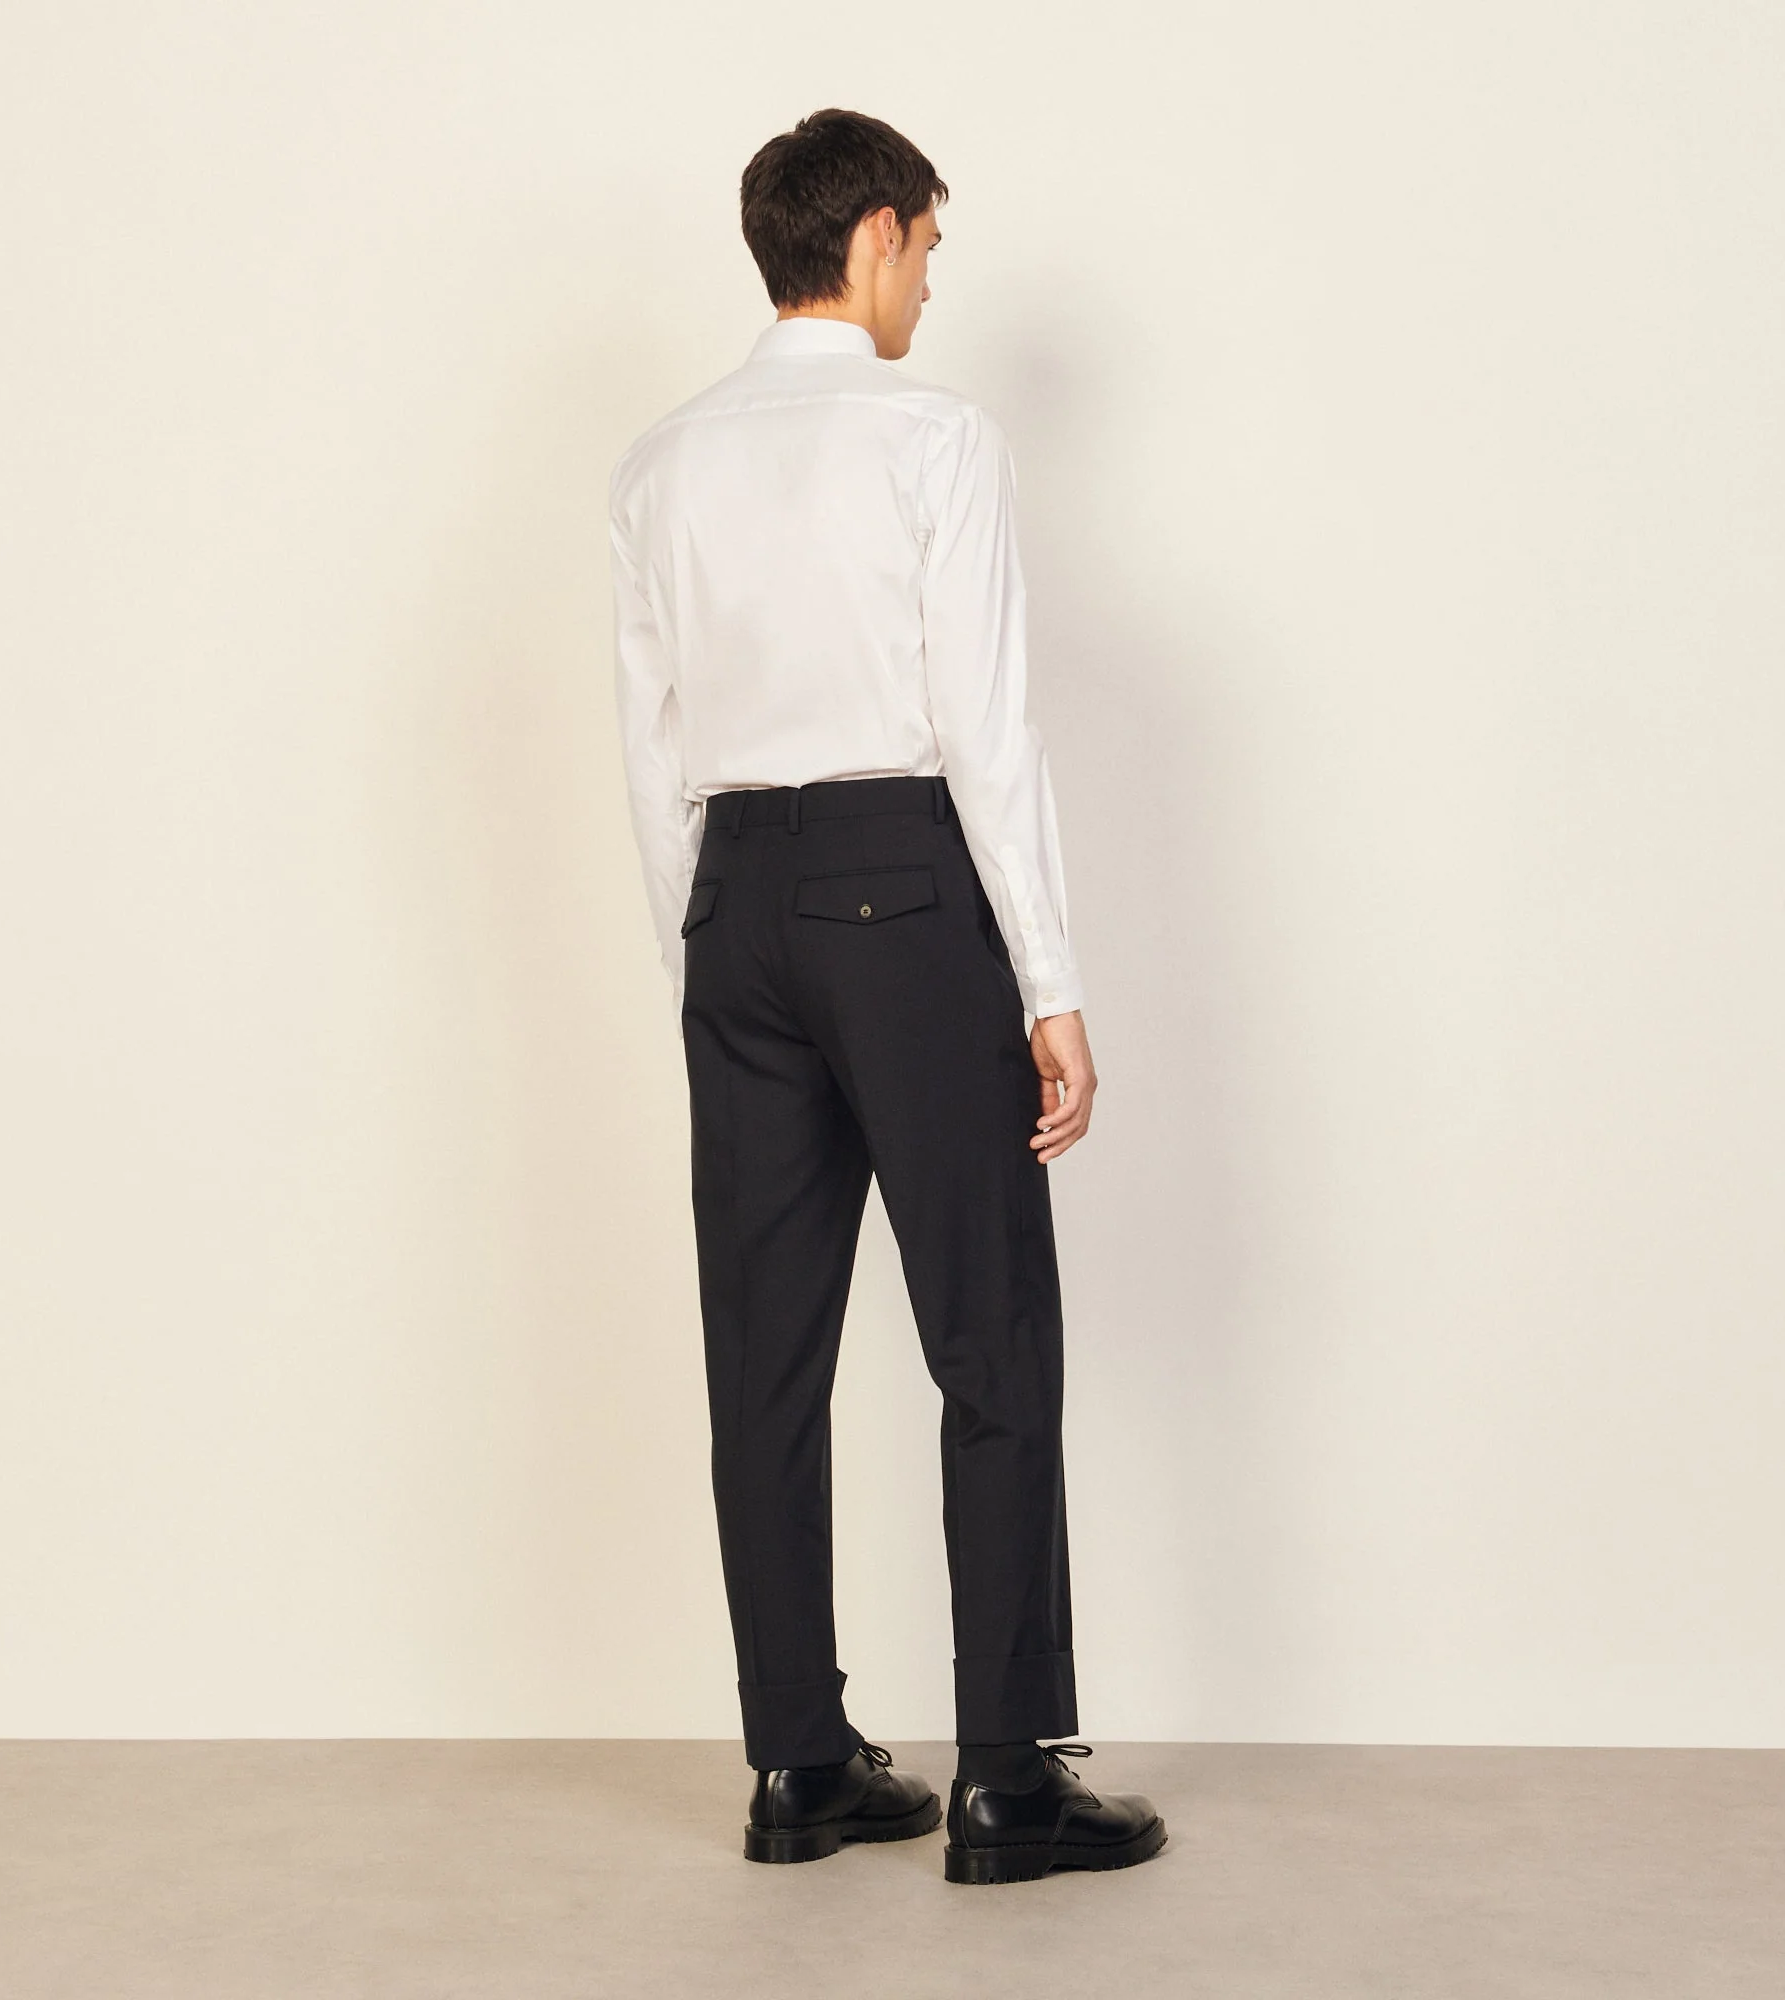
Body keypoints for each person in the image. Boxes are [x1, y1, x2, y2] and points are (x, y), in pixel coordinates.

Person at [607, 107, 1165, 1885]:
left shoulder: (660, 463)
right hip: (906, 894)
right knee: (989, 1338)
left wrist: (700, 956)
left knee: (760, 1357)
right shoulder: (935, 437)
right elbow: (984, 725)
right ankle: (1005, 1777)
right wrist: (1049, 978)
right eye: (927, 243)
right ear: (870, 239)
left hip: (734, 906)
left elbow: (652, 750)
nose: (931, 277)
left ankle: (798, 1764)